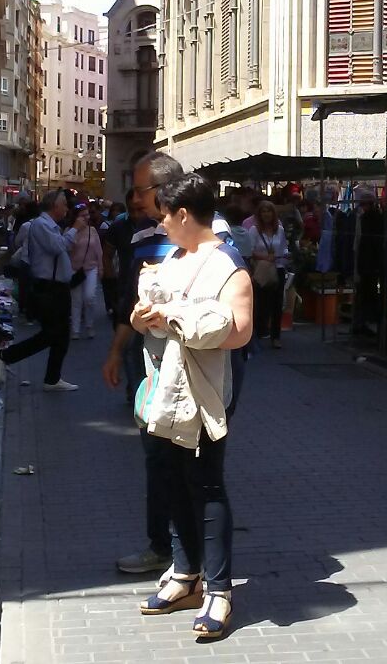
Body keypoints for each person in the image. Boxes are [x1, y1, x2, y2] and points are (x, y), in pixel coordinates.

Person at [104, 152, 239, 578]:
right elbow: (133, 305)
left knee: (199, 475)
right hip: (156, 370)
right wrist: (122, 344)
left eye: (141, 190)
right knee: (160, 462)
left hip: (203, 377)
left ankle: (203, 574)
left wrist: (176, 318)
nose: (136, 199)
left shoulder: (220, 247)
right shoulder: (143, 238)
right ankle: (176, 558)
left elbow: (236, 326)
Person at [130, 173, 252, 640]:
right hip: (162, 390)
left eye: (164, 213)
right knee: (169, 480)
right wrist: (142, 317)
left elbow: (239, 331)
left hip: (203, 394)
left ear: (183, 215)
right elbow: (143, 318)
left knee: (205, 486)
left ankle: (219, 591)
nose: (159, 222)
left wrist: (175, 317)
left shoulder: (228, 266)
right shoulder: (174, 259)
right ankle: (186, 575)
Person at [2, 191, 79, 391]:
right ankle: (7, 356)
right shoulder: (41, 225)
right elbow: (58, 247)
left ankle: (52, 378)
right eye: (63, 205)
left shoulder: (51, 226)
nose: (66, 209)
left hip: (58, 287)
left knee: (61, 335)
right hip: (48, 288)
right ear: (54, 206)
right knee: (51, 334)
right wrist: (74, 230)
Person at [250, 200, 290, 349]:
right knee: (261, 303)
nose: (266, 214)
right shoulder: (254, 230)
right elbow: (250, 250)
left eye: (269, 211)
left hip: (278, 268)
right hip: (262, 270)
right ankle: (259, 333)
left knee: (277, 304)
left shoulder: (279, 230)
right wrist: (265, 257)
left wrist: (286, 256)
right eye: (263, 211)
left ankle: (276, 336)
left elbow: (284, 247)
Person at [68, 207, 105, 339]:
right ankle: (75, 329)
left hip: (90, 268)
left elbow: (99, 251)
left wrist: (101, 267)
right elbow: (66, 249)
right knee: (76, 300)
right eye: (82, 215)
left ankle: (89, 324)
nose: (86, 217)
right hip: (74, 269)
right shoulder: (70, 232)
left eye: (87, 214)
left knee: (89, 297)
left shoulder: (92, 231)